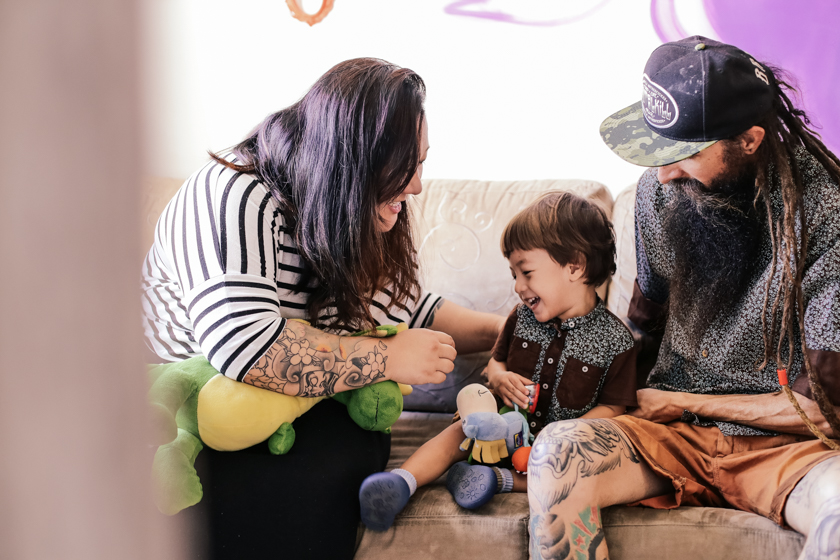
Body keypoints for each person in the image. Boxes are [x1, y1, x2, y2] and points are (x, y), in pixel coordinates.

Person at [141, 58, 504, 560]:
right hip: (192, 409)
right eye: (407, 165)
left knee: (358, 438)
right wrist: (387, 359)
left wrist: (503, 330)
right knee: (311, 478)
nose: (418, 185)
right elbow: (245, 349)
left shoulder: (344, 212)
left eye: (421, 163)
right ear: (350, 161)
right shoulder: (234, 196)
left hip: (290, 403)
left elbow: (405, 310)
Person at [527, 36, 840, 560]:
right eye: (658, 149)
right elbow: (643, 331)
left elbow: (826, 411)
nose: (664, 172)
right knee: (555, 454)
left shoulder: (829, 216)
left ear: (749, 140)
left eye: (686, 154)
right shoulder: (660, 191)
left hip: (790, 448)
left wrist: (682, 402)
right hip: (672, 435)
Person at [358, 191, 638, 531]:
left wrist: (564, 435)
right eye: (513, 274)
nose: (518, 286)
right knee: (458, 432)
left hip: (555, 447)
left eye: (527, 272)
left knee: (566, 471)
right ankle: (401, 482)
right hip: (501, 427)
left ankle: (494, 480)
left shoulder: (617, 341)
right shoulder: (520, 318)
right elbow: (495, 364)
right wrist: (500, 377)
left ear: (574, 266)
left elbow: (615, 409)